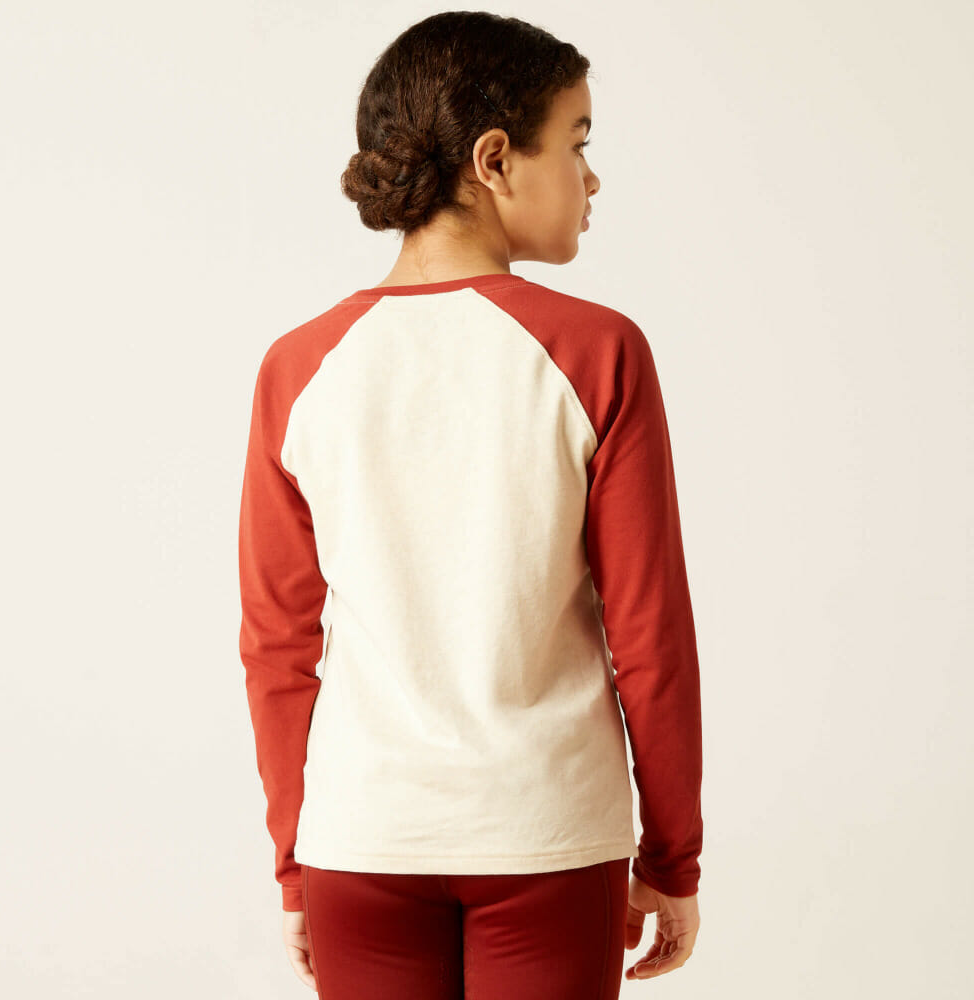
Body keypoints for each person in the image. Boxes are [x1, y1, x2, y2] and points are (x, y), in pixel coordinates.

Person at [237, 11, 703, 999]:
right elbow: (650, 635)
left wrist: (294, 861)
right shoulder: (596, 352)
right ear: (494, 160)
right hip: (547, 834)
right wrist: (672, 857)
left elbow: (276, 643)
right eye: (576, 143)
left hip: (361, 836)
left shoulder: (299, 368)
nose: (591, 178)